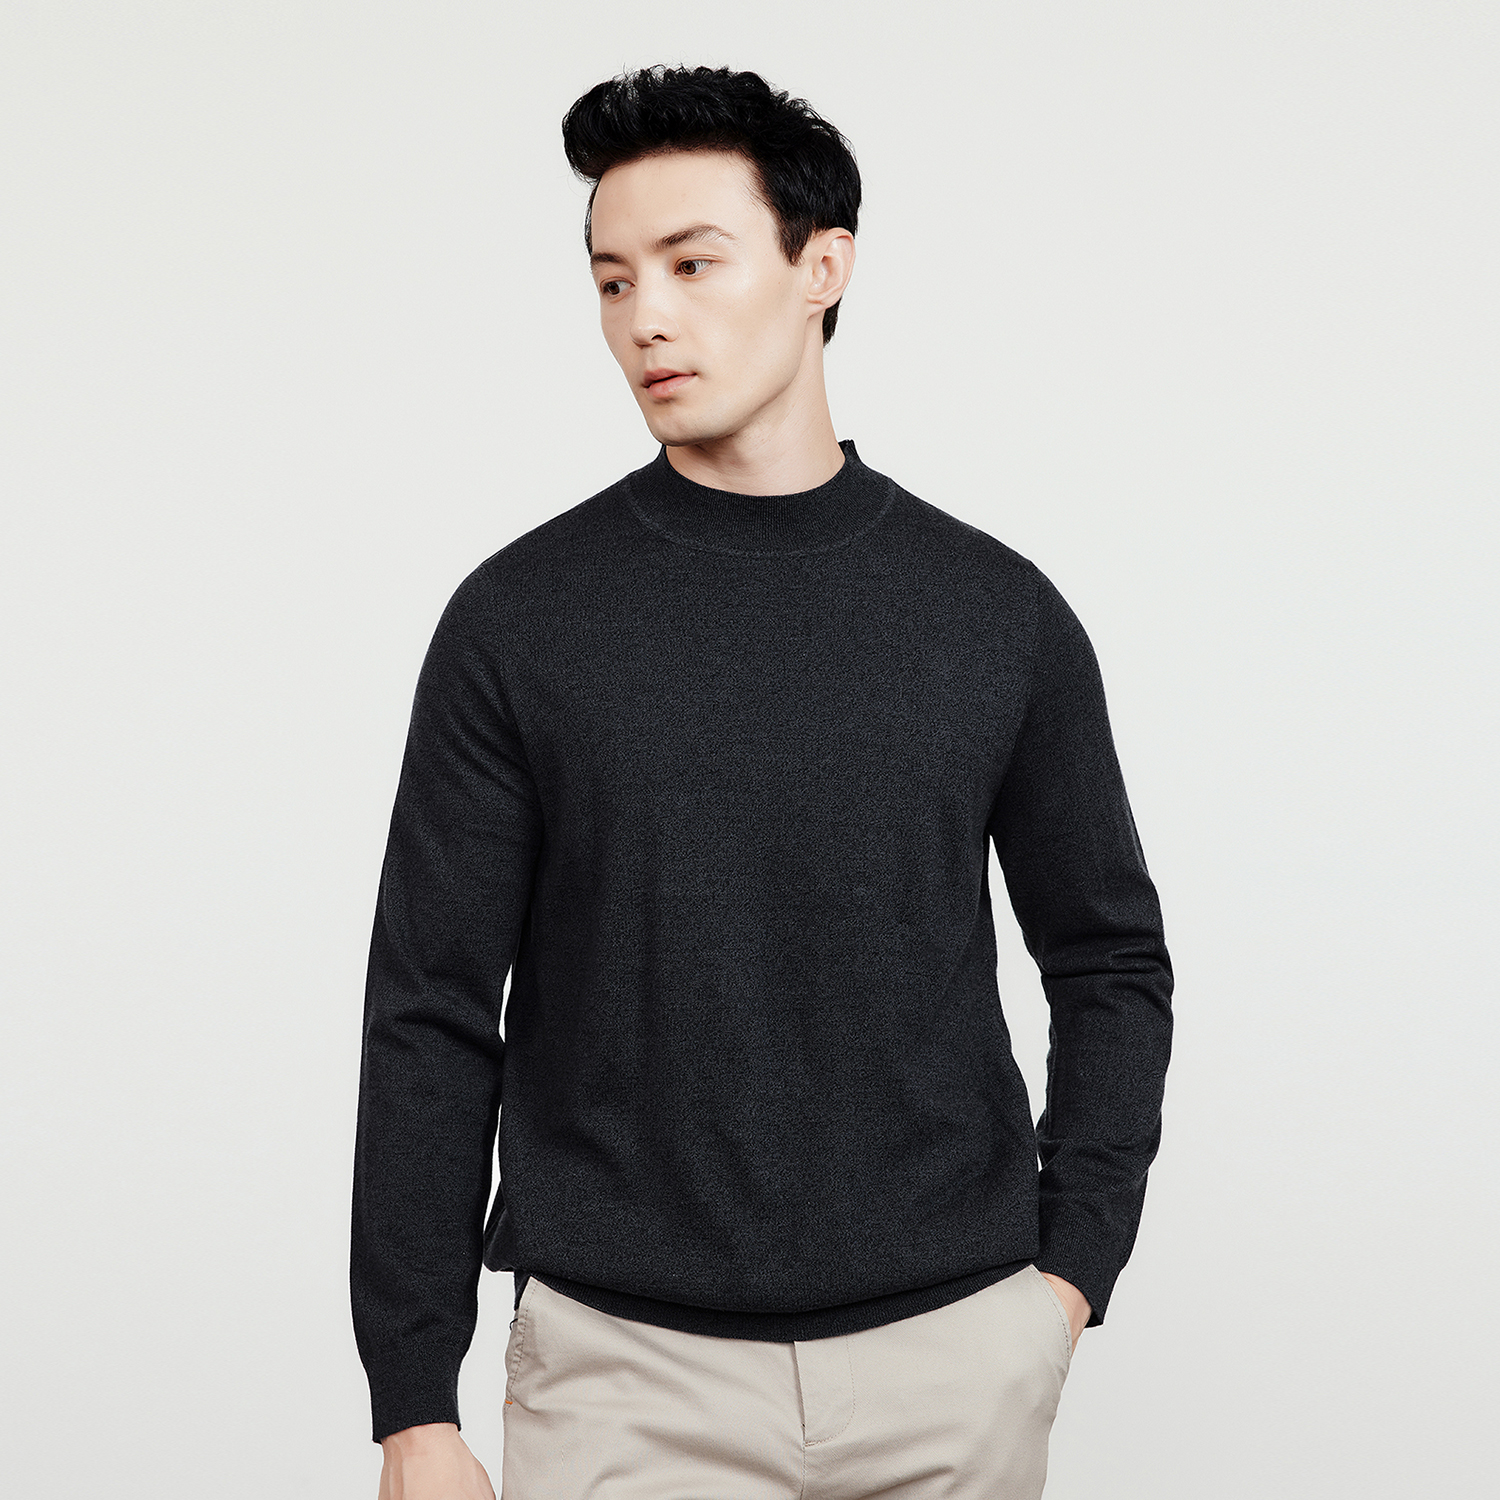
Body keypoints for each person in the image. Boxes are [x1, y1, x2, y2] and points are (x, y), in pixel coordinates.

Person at [350, 64, 1174, 1500]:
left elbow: (1109, 957)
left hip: (953, 1363)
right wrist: (414, 1403)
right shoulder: (521, 620)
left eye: (692, 263)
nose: (645, 318)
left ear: (822, 268)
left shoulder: (993, 612)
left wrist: (1067, 1280)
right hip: (623, 1381)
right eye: (613, 280)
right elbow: (431, 1010)